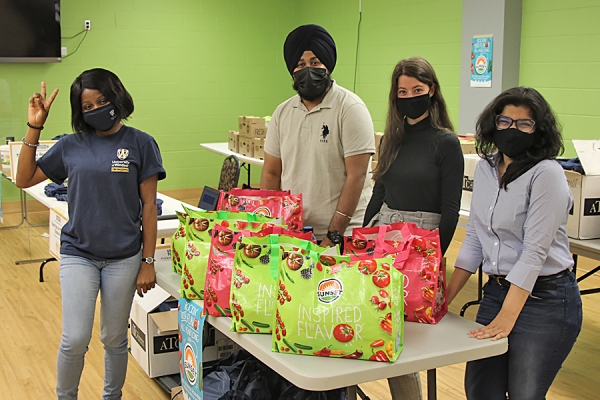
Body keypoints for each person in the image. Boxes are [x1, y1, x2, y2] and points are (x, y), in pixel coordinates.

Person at [16, 68, 166, 400]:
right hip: (78, 254)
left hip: (123, 258)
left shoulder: (141, 143)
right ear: (79, 112)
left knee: (114, 338)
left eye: (102, 100)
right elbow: (23, 178)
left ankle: (112, 397)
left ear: (117, 98)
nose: (96, 108)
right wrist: (35, 124)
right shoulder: (71, 146)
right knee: (74, 338)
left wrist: (148, 261)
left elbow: (149, 207)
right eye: (87, 106)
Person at [447, 86, 582, 399]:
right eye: (505, 121)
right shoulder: (485, 169)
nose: (512, 130)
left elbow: (534, 253)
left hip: (546, 301)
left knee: (525, 393)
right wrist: (443, 299)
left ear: (538, 131)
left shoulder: (547, 173)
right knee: (480, 390)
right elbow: (474, 239)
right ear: (493, 124)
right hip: (497, 291)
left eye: (524, 124)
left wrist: (506, 318)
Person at [362, 56, 463, 400]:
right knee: (378, 329)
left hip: (423, 243)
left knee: (413, 341)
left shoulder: (446, 143)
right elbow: (379, 192)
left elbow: (450, 211)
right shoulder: (391, 138)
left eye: (417, 90)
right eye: (402, 91)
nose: (409, 97)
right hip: (385, 238)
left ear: (432, 91)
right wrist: (363, 244)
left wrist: (433, 259)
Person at [261, 24, 375, 247]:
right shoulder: (282, 113)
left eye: (315, 63)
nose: (308, 70)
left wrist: (333, 235)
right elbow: (272, 172)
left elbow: (357, 176)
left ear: (327, 66)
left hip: (346, 234)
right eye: (301, 64)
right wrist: (270, 223)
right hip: (296, 232)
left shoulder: (350, 108)